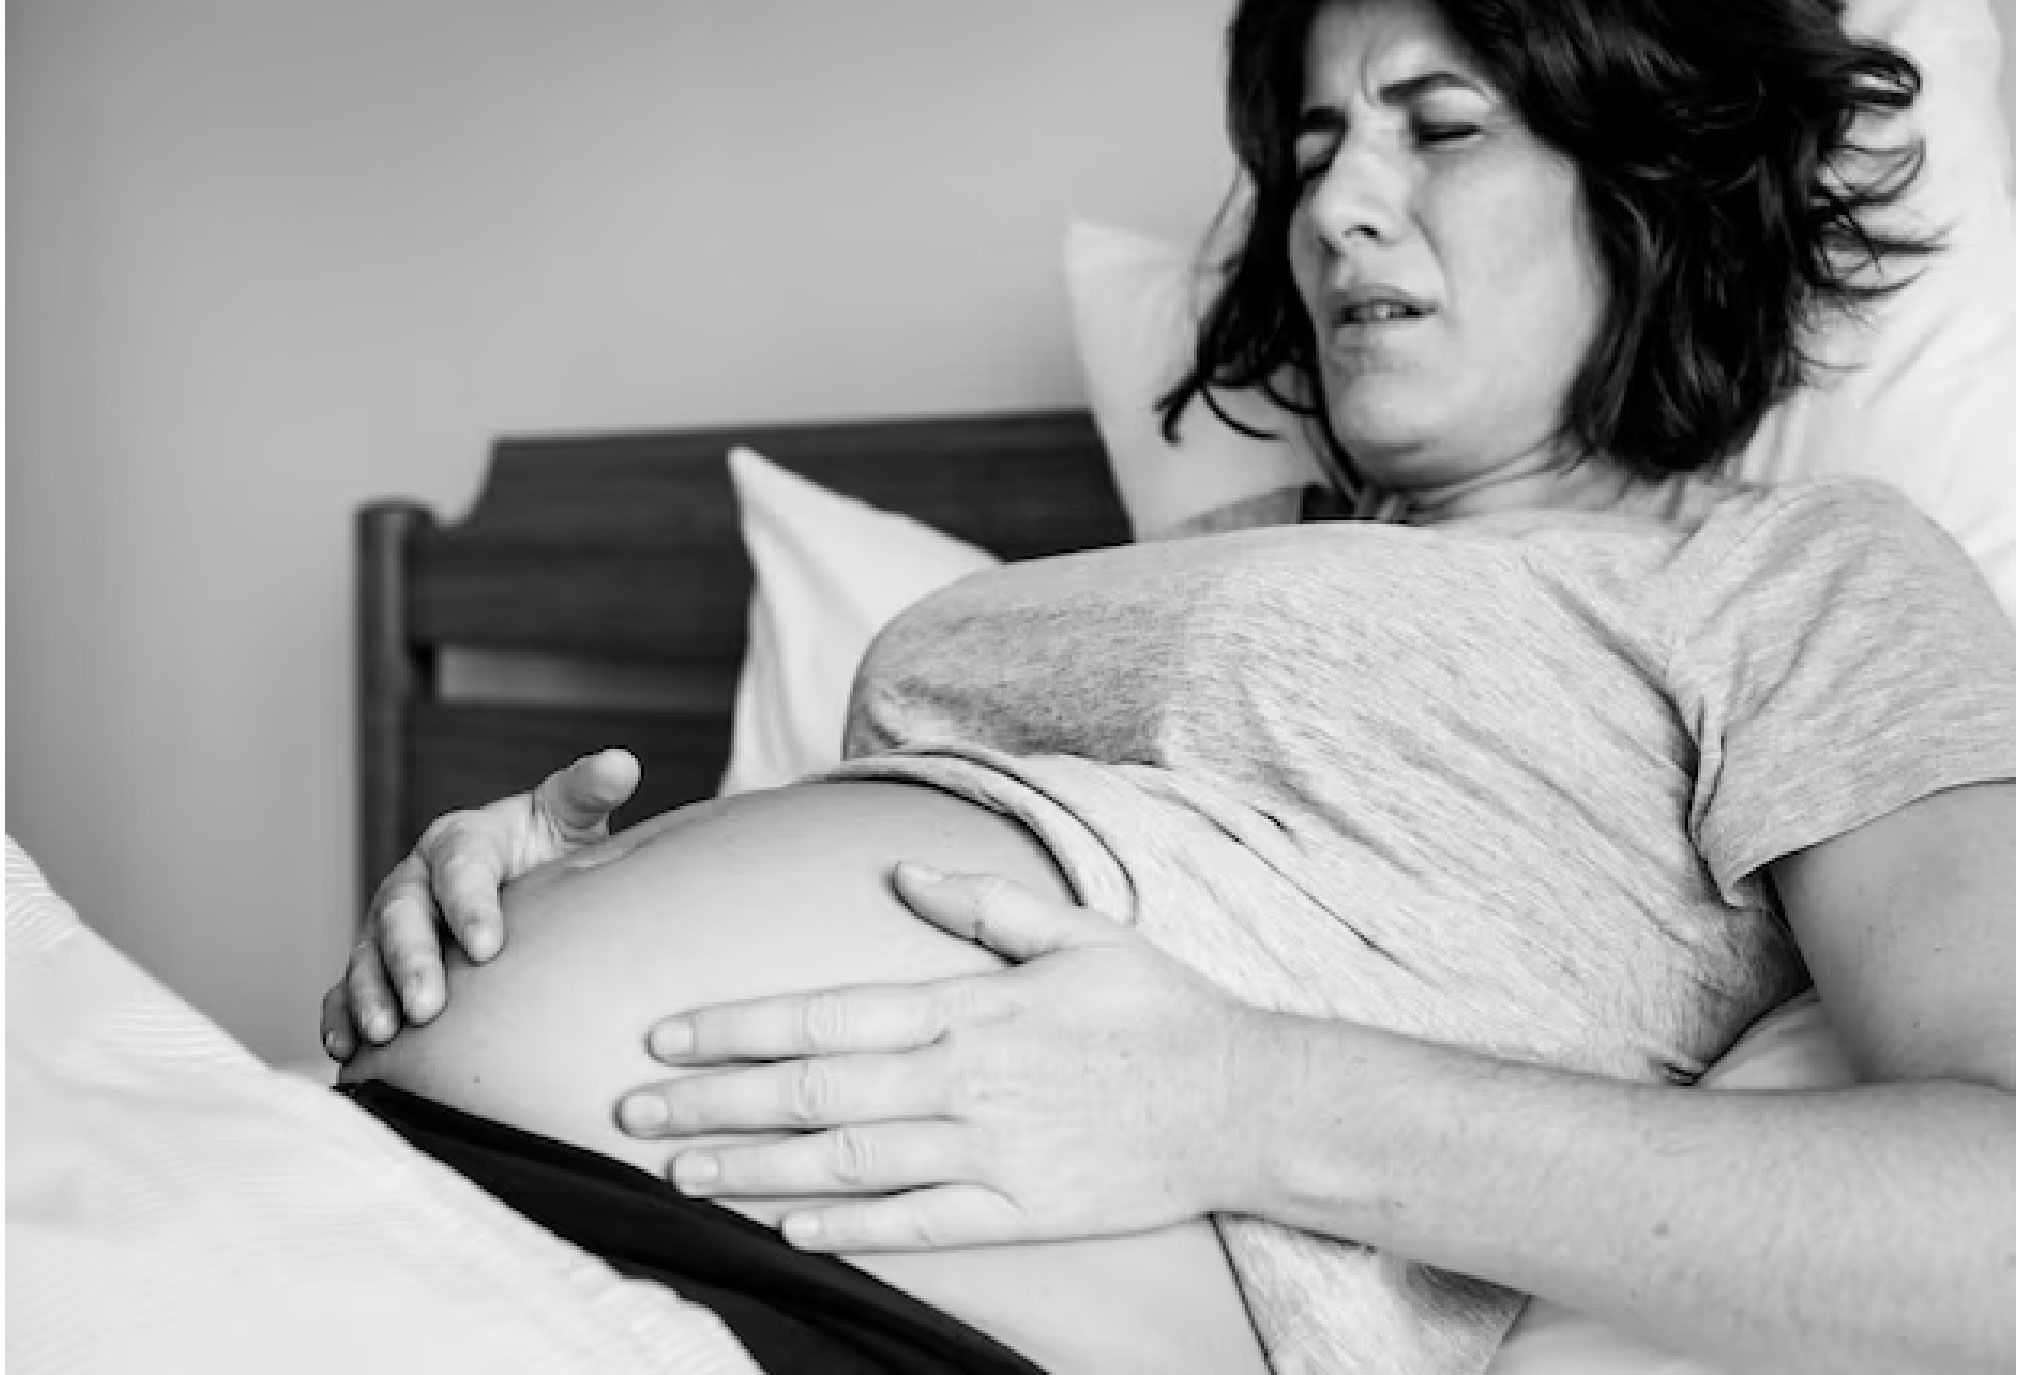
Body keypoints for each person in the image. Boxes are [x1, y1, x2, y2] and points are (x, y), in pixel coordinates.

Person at [326, 2, 2014, 1374]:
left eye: (1438, 127)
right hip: (405, 1179)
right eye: (1310, 150)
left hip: (829, 1309)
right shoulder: (1216, 547)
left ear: (1649, 185)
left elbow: (1992, 1222)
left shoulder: (1796, 571)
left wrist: (1246, 1103)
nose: (1339, 204)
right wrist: (524, 911)